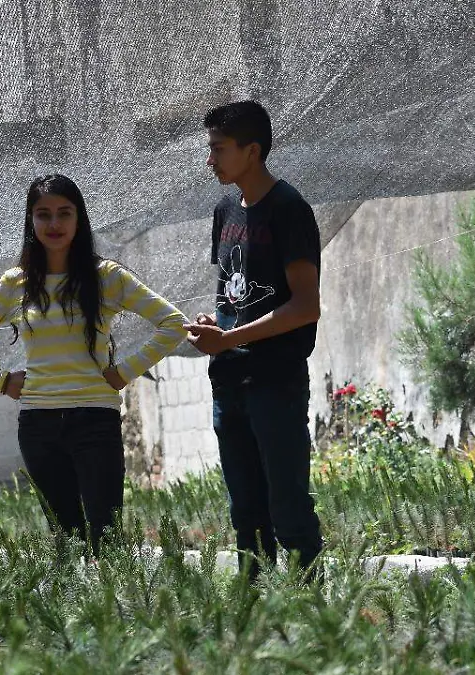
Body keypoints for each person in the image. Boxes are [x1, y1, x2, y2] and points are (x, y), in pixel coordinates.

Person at [0, 174, 187, 557]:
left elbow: (173, 323)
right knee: (66, 541)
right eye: (43, 214)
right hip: (38, 426)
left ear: (79, 219)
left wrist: (125, 371)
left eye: (64, 213)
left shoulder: (106, 277)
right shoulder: (15, 283)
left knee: (107, 539)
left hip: (95, 420)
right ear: (30, 220)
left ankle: (114, 597)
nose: (54, 224)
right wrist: (1, 380)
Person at [183, 101, 324, 579]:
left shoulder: (289, 209)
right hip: (229, 384)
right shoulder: (225, 211)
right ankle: (254, 613)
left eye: (219, 149)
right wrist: (216, 324)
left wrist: (230, 338)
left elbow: (305, 307)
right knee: (246, 514)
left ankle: (314, 610)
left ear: (252, 151)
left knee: (288, 509)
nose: (210, 160)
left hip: (275, 382)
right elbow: (235, 295)